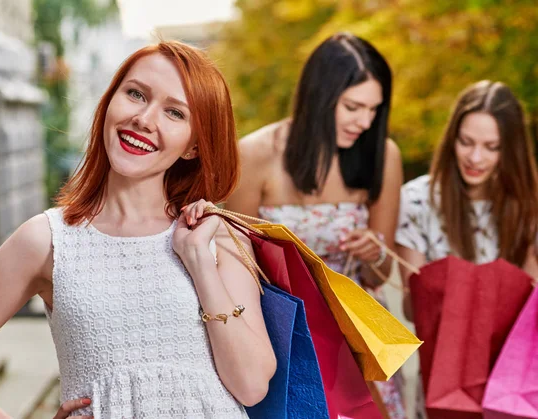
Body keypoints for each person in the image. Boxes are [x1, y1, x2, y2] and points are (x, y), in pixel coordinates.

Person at [0, 41, 276, 419]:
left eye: (175, 113)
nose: (145, 119)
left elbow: (251, 385)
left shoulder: (218, 237)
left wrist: (198, 262)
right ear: (109, 101)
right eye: (135, 94)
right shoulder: (48, 240)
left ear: (194, 147)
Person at [226, 32, 406, 418]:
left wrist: (375, 252)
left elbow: (383, 271)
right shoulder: (256, 155)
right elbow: (233, 263)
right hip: (284, 337)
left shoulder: (383, 154)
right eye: (353, 107)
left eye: (374, 110)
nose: (365, 122)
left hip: (358, 340)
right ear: (319, 97)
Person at [395, 80, 538, 418]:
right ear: (451, 140)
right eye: (466, 142)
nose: (476, 157)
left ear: (511, 149)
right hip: (445, 382)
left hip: (516, 385)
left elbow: (531, 309)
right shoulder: (417, 201)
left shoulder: (531, 208)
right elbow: (412, 308)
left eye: (492, 147)